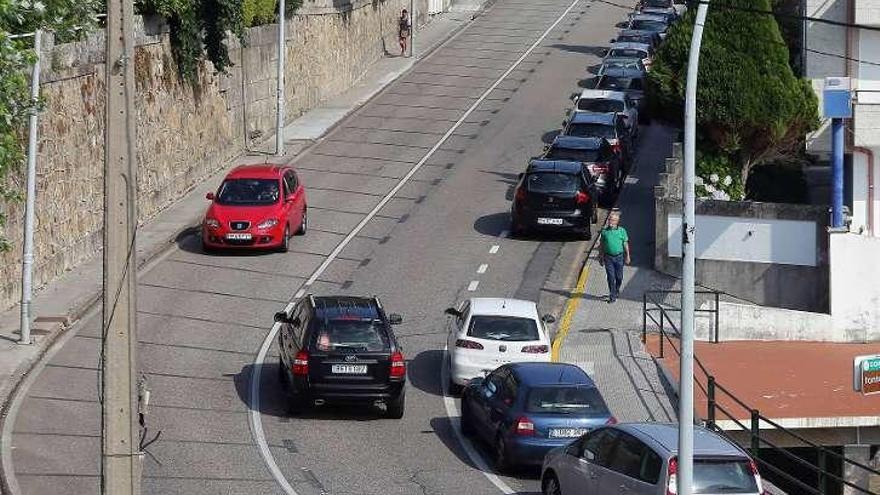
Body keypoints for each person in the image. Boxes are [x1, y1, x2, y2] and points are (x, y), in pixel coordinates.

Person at [598, 210, 631, 303]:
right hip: (608, 258)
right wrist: (600, 256)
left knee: (619, 277)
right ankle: (612, 296)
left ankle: (616, 290)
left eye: (612, 220)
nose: (610, 222)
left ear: (617, 222)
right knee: (610, 277)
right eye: (609, 220)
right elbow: (601, 245)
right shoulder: (604, 232)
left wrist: (628, 255)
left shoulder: (622, 231)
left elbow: (625, 244)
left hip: (619, 257)